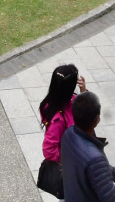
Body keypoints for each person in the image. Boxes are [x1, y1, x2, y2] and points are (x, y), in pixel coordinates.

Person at [59, 92, 115, 202]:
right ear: (97, 119)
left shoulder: (68, 135)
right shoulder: (95, 159)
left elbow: (92, 170)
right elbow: (113, 199)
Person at [39, 64, 86, 192]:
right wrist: (66, 160)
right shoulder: (58, 119)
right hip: (71, 168)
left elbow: (85, 112)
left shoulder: (64, 101)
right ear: (68, 88)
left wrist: (83, 94)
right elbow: (49, 149)